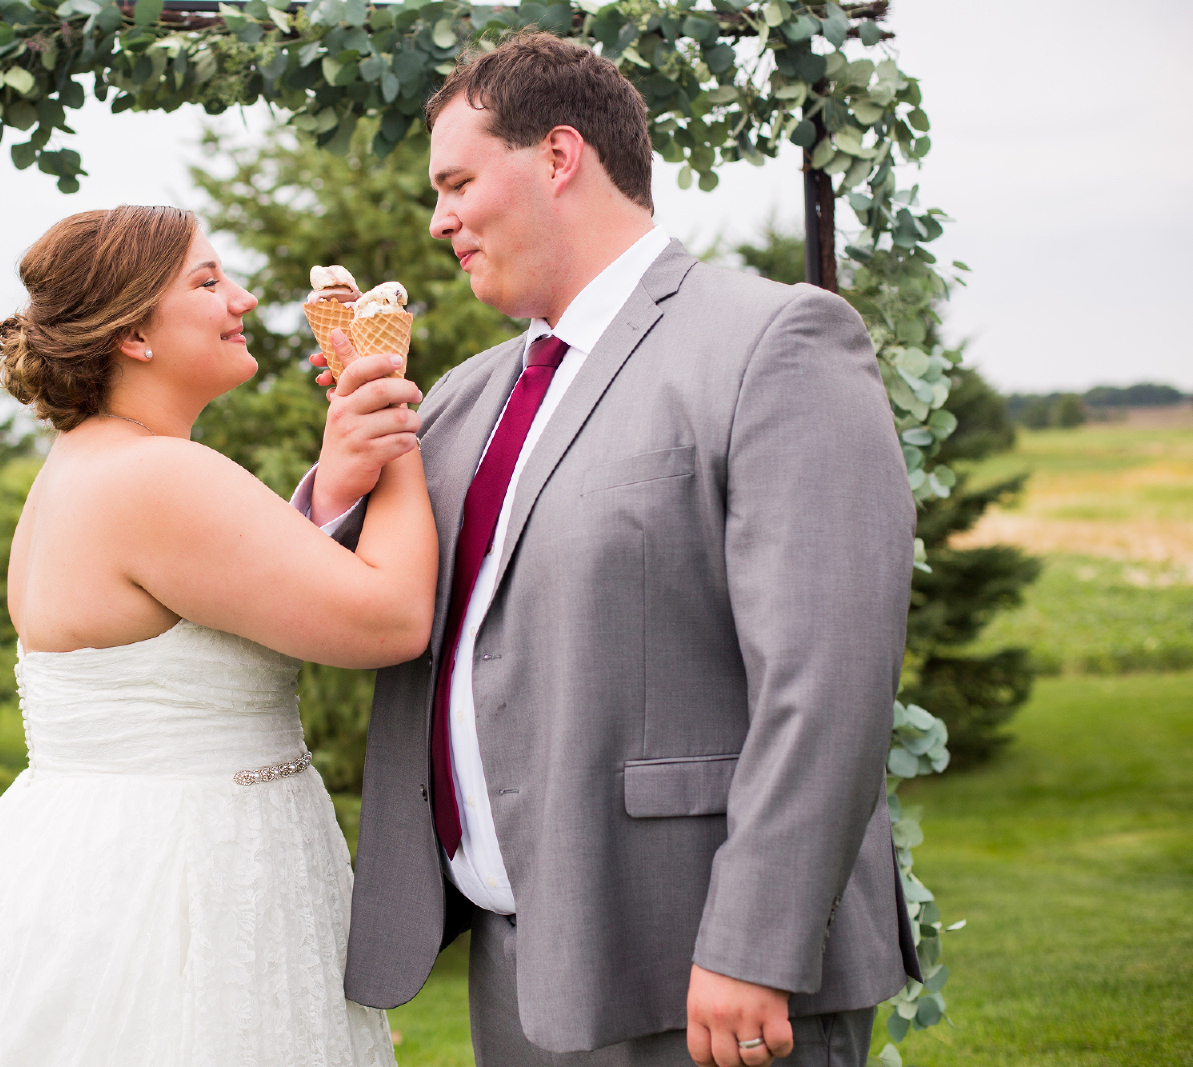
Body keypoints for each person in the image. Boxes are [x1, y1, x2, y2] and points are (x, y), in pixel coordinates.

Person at [299, 33, 922, 1067]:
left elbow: (829, 678)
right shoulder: (462, 393)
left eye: (456, 183)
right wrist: (333, 483)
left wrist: (752, 943)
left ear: (556, 157)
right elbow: (354, 593)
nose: (437, 220)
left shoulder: (776, 341)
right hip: (524, 969)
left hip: (702, 968)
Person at [0, 205, 434, 1066]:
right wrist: (394, 422)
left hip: (90, 854)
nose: (245, 300)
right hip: (184, 880)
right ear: (135, 333)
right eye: (208, 282)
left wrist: (338, 479)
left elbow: (230, 587)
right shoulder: (159, 475)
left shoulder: (83, 465)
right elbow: (393, 618)